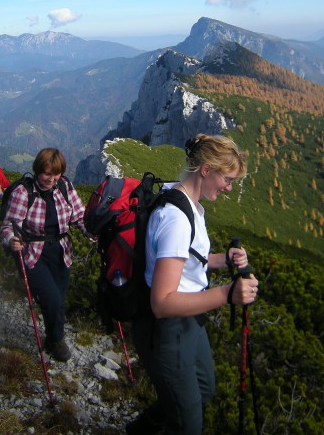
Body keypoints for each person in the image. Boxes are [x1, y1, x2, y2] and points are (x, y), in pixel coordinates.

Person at [129, 133, 259, 435]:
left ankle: (144, 427)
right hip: (171, 327)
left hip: (190, 322)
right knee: (189, 423)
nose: (228, 188)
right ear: (206, 170)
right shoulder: (177, 219)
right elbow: (161, 303)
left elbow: (187, 258)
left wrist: (221, 259)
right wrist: (227, 294)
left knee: (204, 387)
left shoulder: (186, 200)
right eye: (226, 179)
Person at [0, 147, 86, 362]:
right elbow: (8, 226)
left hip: (61, 251)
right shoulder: (23, 193)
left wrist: (94, 231)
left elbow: (79, 216)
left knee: (57, 298)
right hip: (32, 253)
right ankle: (57, 340)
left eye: (56, 174)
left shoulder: (64, 186)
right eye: (47, 173)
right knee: (53, 300)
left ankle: (50, 336)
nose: (51, 179)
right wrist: (12, 240)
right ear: (38, 171)